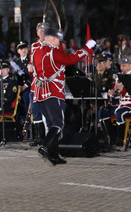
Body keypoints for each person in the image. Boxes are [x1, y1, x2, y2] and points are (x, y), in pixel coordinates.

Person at [32, 26, 95, 165]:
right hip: (53, 91)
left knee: (51, 123)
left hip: (40, 92)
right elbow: (71, 59)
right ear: (53, 39)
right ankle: (44, 147)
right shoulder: (52, 52)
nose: (59, 43)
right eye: (58, 40)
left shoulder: (37, 51)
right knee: (58, 124)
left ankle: (53, 155)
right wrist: (87, 47)